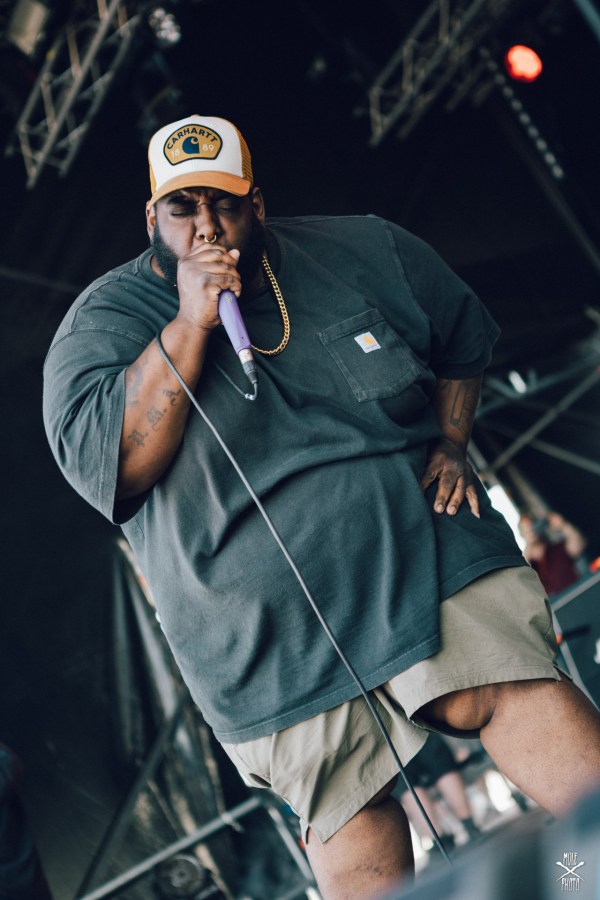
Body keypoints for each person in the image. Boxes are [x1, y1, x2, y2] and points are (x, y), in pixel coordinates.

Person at [42, 114, 600, 899]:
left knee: (514, 694)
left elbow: (461, 337)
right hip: (263, 638)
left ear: (258, 203)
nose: (206, 226)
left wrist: (451, 441)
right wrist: (189, 322)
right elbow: (119, 468)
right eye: (182, 207)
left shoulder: (363, 249)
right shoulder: (102, 324)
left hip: (421, 552)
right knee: (350, 810)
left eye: (224, 203)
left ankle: (583, 873)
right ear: (151, 217)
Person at [394, 732, 481, 857]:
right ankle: (470, 825)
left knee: (406, 785)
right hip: (416, 728)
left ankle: (440, 841)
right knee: (441, 767)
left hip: (387, 744)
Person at [518, 511, 588, 596]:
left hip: (577, 595)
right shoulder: (528, 563)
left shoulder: (557, 549)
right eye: (526, 529)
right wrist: (529, 544)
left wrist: (563, 525)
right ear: (522, 534)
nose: (531, 530)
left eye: (532, 525)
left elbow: (579, 544)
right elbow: (521, 578)